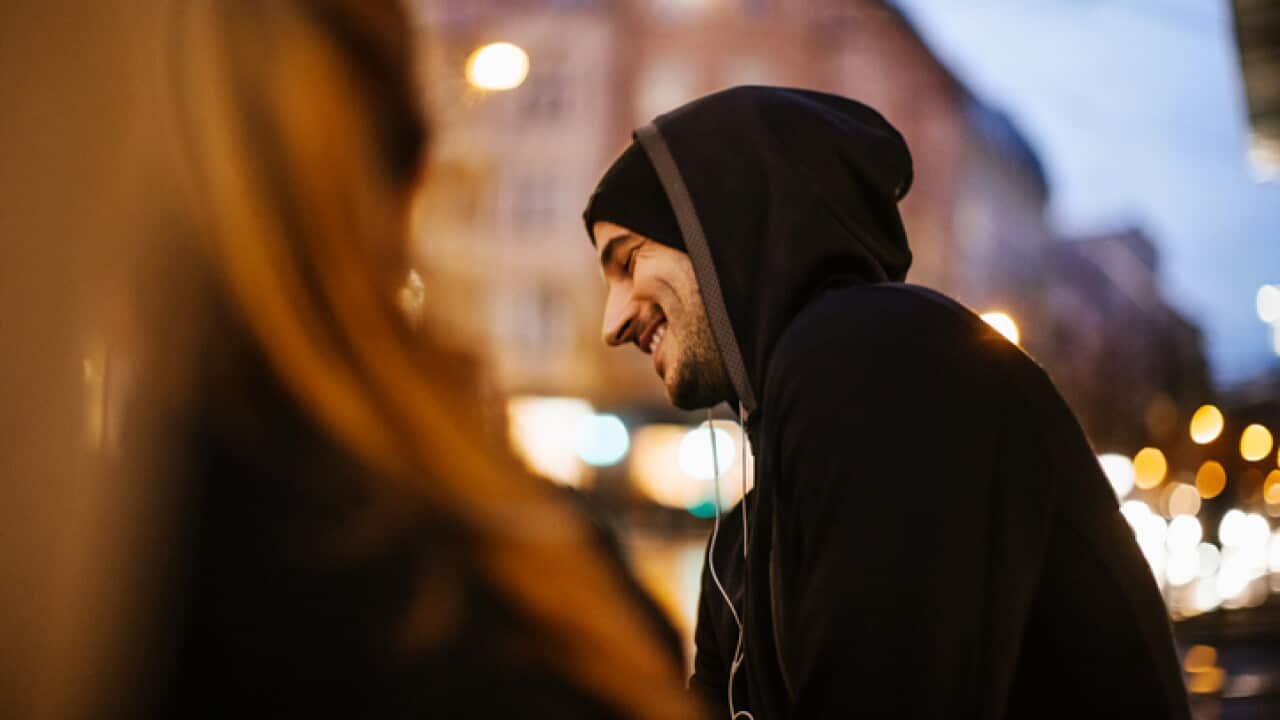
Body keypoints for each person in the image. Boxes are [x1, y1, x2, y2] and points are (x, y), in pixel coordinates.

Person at [5, 0, 705, 717]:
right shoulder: (541, 564)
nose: (613, 323)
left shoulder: (102, 578)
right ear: (415, 178)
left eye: (626, 263)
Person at [583, 86, 1191, 719]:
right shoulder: (748, 529)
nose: (613, 322)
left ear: (723, 224)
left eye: (628, 261)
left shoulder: (876, 357)